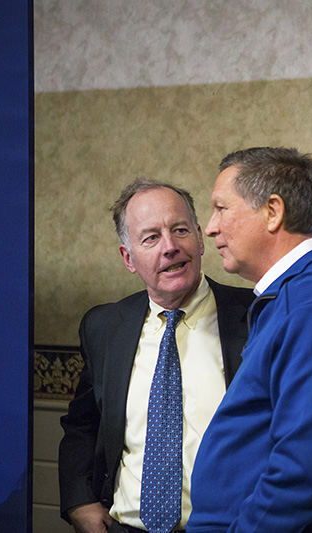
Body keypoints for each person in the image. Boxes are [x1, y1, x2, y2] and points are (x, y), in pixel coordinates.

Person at [187, 147, 312, 532]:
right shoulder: (296, 295)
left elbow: (305, 475)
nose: (210, 228)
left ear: (273, 212)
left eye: (221, 209)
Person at [59, 178, 255, 533]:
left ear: (199, 238)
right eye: (150, 238)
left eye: (179, 230)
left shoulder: (258, 316)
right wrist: (79, 500)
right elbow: (82, 425)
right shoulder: (104, 327)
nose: (170, 247)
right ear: (128, 257)